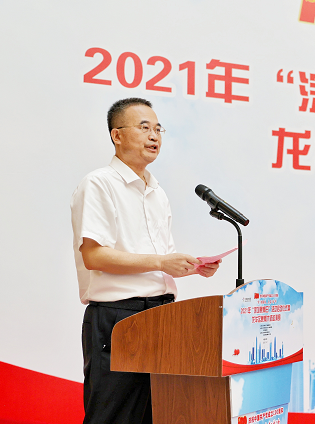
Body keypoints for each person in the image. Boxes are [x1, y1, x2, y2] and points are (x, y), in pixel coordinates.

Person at [70, 98, 220, 424]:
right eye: (144, 127)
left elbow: (157, 263)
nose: (154, 136)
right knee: (113, 416)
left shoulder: (157, 192)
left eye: (158, 129)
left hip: (164, 316)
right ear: (117, 135)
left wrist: (192, 267)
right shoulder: (98, 184)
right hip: (120, 319)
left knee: (161, 414)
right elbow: (94, 256)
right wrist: (162, 262)